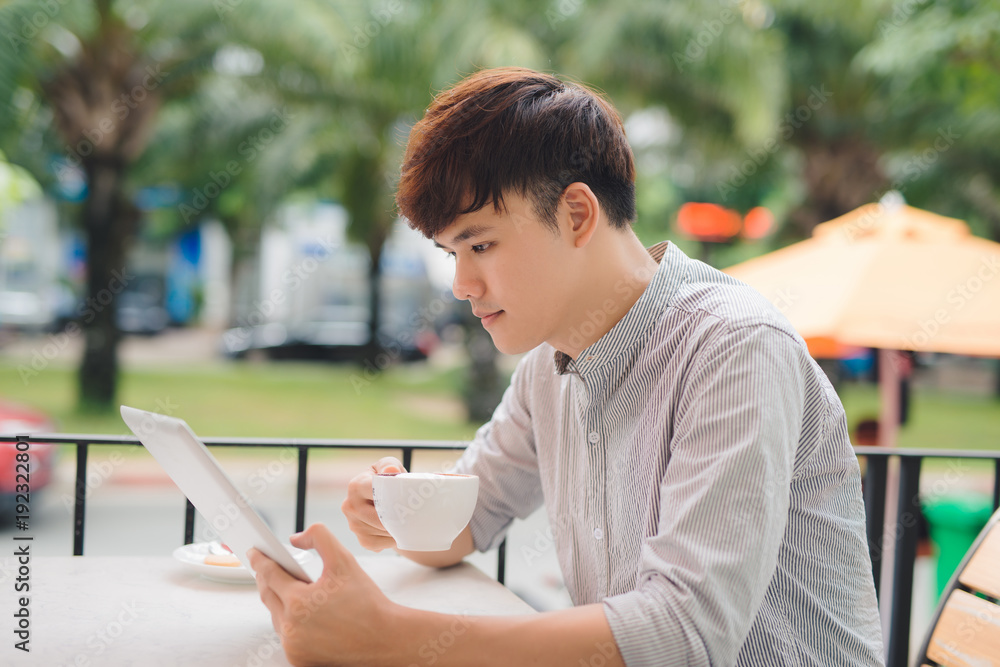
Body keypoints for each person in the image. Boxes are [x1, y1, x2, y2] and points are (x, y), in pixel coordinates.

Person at [248, 67, 885, 666]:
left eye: (481, 244)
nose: (463, 284)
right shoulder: (549, 365)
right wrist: (400, 513)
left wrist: (393, 638)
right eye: (451, 253)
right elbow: (471, 519)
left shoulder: (733, 346)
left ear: (577, 214)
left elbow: (687, 632)